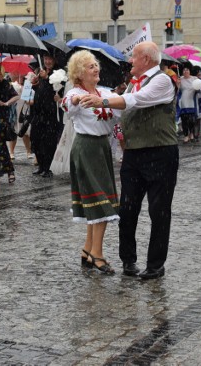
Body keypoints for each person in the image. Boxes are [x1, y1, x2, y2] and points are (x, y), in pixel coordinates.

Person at [80, 41, 178, 280]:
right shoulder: (132, 84)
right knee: (128, 209)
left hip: (160, 153)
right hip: (133, 154)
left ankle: (155, 265)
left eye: (133, 57)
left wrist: (102, 101)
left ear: (146, 59)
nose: (130, 61)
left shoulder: (162, 80)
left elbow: (136, 101)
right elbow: (118, 110)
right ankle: (128, 261)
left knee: (159, 211)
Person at [62, 50, 121, 274]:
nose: (95, 68)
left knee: (98, 200)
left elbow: (120, 109)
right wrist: (76, 99)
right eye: (90, 66)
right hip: (86, 147)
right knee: (101, 201)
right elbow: (69, 105)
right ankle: (98, 254)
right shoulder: (75, 92)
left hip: (101, 148)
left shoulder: (103, 92)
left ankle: (88, 249)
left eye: (95, 65)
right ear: (79, 73)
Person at [30, 55, 63, 177]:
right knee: (36, 139)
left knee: (49, 141)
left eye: (50, 59)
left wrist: (48, 78)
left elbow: (58, 88)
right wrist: (34, 84)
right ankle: (41, 165)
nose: (47, 61)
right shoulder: (40, 72)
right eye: (46, 59)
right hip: (38, 112)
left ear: (54, 60)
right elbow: (38, 90)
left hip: (51, 114)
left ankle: (47, 167)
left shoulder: (59, 72)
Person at [178, 63, 200, 143]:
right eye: (184, 70)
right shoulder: (180, 79)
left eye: (187, 69)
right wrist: (178, 84)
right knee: (184, 119)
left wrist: (198, 90)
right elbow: (178, 90)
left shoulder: (194, 79)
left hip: (192, 101)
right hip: (184, 101)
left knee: (192, 120)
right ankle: (186, 135)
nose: (185, 71)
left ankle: (191, 133)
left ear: (190, 71)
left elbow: (199, 88)